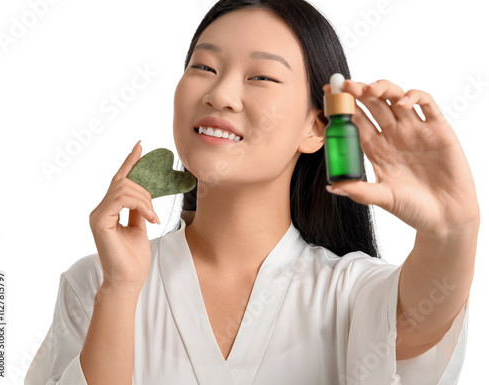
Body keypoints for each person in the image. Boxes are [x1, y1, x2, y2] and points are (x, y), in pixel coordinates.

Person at [25, 0, 479, 384]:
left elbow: (419, 323)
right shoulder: (96, 281)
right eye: (203, 67)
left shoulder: (349, 292)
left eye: (260, 77)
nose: (220, 94)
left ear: (316, 127)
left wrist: (454, 231)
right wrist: (120, 292)